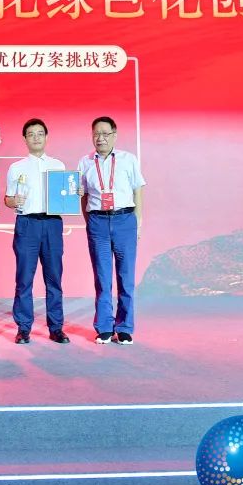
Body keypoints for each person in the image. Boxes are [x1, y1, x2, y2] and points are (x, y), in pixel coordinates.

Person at [78, 116, 146, 345]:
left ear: (114, 135)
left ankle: (124, 327)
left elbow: (138, 190)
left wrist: (137, 221)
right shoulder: (85, 162)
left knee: (126, 277)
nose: (100, 138)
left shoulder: (128, 159)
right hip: (97, 222)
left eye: (105, 133)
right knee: (102, 277)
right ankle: (105, 327)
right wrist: (90, 221)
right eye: (96, 134)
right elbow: (84, 195)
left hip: (125, 220)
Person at [5, 118, 73, 344]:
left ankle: (56, 328)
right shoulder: (16, 168)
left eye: (40, 133)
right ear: (24, 139)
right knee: (24, 278)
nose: (36, 138)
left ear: (46, 137)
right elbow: (7, 199)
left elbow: (66, 197)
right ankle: (23, 328)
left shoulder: (58, 165)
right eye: (31, 134)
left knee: (54, 278)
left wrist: (75, 193)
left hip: (52, 223)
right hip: (27, 224)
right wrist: (13, 201)